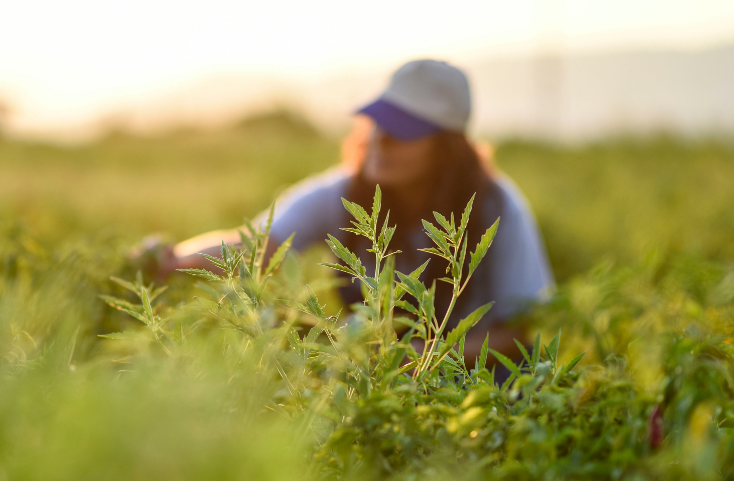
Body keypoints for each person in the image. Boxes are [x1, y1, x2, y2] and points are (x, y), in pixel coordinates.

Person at [154, 60, 553, 369]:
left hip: (476, 387)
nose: (379, 140)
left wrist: (415, 359)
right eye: (377, 123)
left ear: (445, 147)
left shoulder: (495, 208)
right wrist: (175, 260)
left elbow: (516, 332)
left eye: (400, 132)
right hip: (372, 377)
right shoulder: (345, 192)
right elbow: (256, 243)